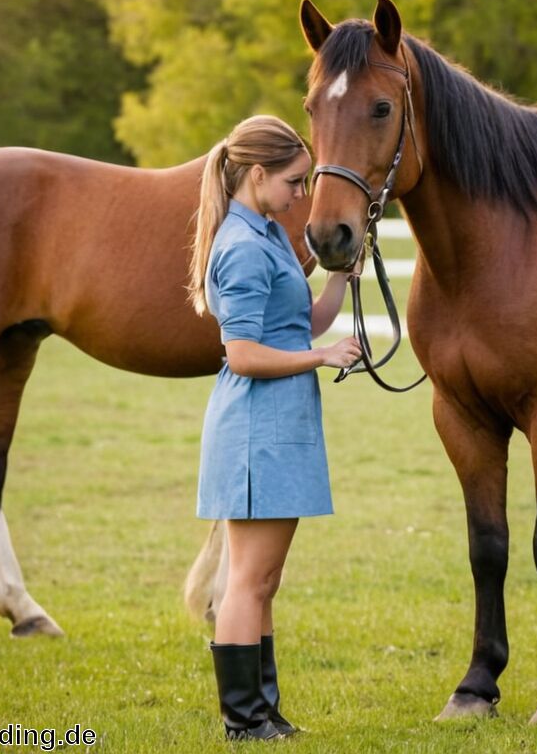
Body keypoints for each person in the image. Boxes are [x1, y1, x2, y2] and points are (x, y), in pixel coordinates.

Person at [187, 115, 362, 741]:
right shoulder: (239, 247)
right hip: (256, 427)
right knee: (248, 580)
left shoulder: (262, 234)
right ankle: (243, 720)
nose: (301, 196)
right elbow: (243, 354)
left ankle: (263, 710)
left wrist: (341, 272)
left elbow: (301, 322)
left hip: (278, 424)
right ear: (256, 176)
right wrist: (323, 358)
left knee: (263, 580)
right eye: (293, 182)